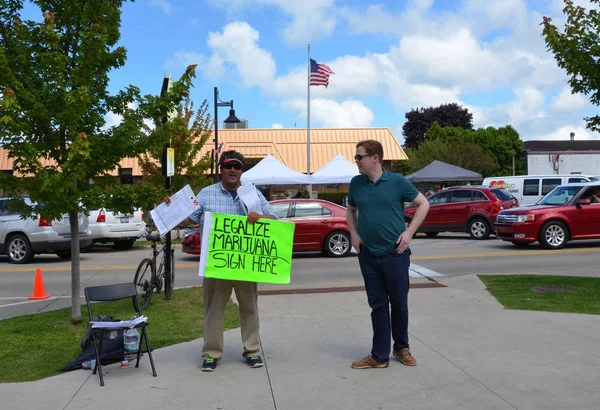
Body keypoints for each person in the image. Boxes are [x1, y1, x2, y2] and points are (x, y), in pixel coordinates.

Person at [177, 150, 278, 372]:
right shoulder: (206, 194)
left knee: (250, 308)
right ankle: (211, 354)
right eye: (228, 166)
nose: (233, 170)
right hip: (216, 263)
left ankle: (251, 350)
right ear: (221, 169)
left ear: (242, 170)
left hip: (245, 264)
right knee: (213, 310)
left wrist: (259, 217)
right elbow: (186, 218)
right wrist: (171, 207)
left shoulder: (252, 194)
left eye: (237, 166)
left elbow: (275, 219)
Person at [346, 140, 430, 369]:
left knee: (399, 304)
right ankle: (379, 356)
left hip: (395, 253)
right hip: (368, 253)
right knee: (378, 306)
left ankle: (402, 348)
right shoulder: (356, 183)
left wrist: (409, 232)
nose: (357, 161)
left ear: (375, 157)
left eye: (359, 157)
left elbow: (423, 204)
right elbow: (351, 209)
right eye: (356, 157)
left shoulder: (397, 182)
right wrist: (353, 233)